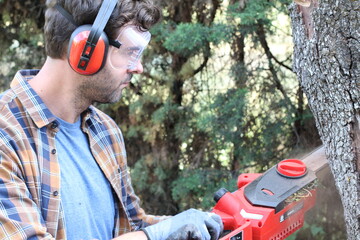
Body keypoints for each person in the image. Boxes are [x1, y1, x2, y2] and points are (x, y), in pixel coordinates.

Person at [0, 0, 223, 239]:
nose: (138, 67)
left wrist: (192, 225)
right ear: (86, 49)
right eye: (129, 52)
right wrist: (153, 236)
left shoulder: (105, 131)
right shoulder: (7, 135)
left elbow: (131, 227)